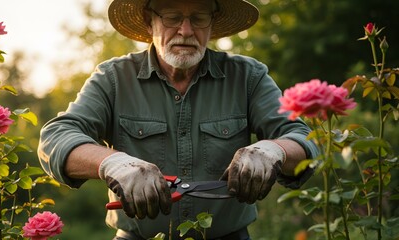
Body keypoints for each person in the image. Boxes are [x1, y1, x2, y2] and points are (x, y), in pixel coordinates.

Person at [38, 0, 318, 239]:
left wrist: (272, 151)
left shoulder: (248, 77)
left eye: (199, 17)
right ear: (150, 23)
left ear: (212, 23)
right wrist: (113, 163)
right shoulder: (113, 78)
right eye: (172, 17)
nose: (186, 30)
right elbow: (56, 138)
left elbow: (303, 139)